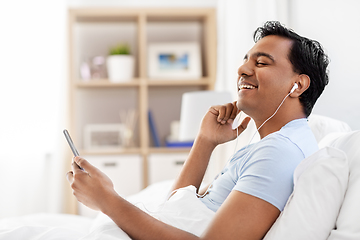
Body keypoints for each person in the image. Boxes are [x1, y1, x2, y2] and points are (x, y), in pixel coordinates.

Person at [66, 21, 329, 240]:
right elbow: (179, 208)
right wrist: (205, 141)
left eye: (261, 63)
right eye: (246, 60)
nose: (242, 69)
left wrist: (107, 200)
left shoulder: (279, 151)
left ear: (297, 86)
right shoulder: (273, 143)